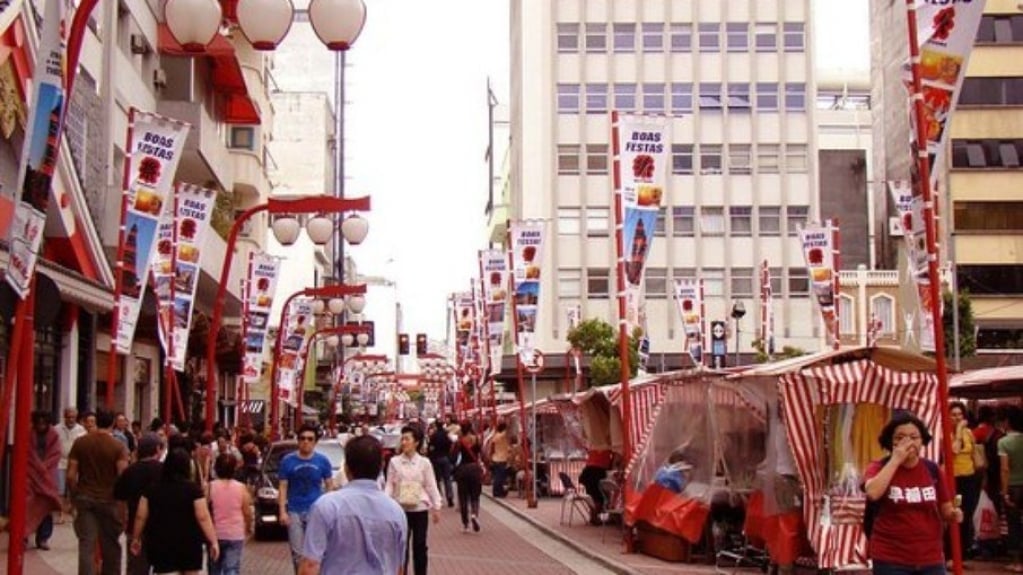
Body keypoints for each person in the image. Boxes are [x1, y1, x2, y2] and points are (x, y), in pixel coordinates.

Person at [863, 412, 963, 575]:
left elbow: (945, 509)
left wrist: (953, 514)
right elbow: (873, 493)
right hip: (891, 557)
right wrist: (895, 460)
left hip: (931, 557)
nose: (908, 442)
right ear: (891, 442)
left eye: (914, 437)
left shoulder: (932, 469)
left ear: (922, 440)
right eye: (900, 437)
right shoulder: (879, 467)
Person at [298, 435, 406, 575]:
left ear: (347, 468)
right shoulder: (396, 512)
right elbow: (398, 567)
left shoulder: (326, 506)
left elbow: (310, 565)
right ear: (381, 466)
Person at [130, 448, 220, 574]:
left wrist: (136, 537)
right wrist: (213, 540)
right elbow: (203, 517)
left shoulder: (151, 489)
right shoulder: (193, 490)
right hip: (190, 543)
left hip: (162, 542)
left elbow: (141, 516)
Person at [67, 408, 130, 575]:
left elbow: (71, 475)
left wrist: (74, 496)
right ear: (112, 423)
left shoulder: (81, 443)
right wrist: (123, 507)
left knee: (86, 544)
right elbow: (122, 477)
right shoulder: (118, 447)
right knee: (111, 544)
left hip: (85, 497)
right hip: (109, 500)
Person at [385, 425, 442, 575]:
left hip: (419, 509)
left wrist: (437, 506)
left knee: (420, 545)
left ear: (416, 442)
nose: (404, 442)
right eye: (402, 439)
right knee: (401, 546)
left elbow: (431, 485)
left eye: (407, 439)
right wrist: (385, 502)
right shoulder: (394, 462)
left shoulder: (424, 463)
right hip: (400, 509)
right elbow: (389, 484)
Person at [279, 423, 335, 574]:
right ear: (298, 441)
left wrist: (329, 509)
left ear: (315, 442)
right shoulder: (287, 461)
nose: (306, 442)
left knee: (315, 552)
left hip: (315, 512)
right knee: (297, 553)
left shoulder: (322, 461)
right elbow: (283, 486)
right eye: (302, 438)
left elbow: (330, 485)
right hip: (294, 511)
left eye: (310, 439)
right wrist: (282, 511)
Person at [114, 433, 164, 575]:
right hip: (160, 527)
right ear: (157, 449)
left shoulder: (130, 471)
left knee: (136, 568)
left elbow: (120, 498)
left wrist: (123, 520)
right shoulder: (165, 471)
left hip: (135, 527)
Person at [208, 453, 253, 575]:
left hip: (215, 533)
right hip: (235, 533)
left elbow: (206, 510)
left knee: (214, 568)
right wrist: (248, 527)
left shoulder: (210, 487)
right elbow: (247, 512)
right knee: (232, 568)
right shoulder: (241, 488)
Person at [948, 401, 980, 558]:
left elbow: (974, 454)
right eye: (953, 415)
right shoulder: (946, 433)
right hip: (954, 479)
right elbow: (954, 450)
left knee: (967, 514)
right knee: (954, 514)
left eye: (960, 414)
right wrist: (959, 430)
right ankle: (951, 553)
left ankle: (962, 552)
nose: (957, 418)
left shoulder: (969, 432)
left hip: (970, 478)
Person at [28, 411, 62, 550]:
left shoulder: (53, 435)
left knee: (46, 505)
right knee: (27, 505)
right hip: (30, 473)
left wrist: (44, 466)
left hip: (47, 474)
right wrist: (37, 465)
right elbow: (27, 452)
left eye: (44, 422)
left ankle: (43, 538)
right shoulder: (29, 434)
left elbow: (56, 453)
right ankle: (24, 534)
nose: (41, 425)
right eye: (39, 422)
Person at [1000, 405, 1023, 573]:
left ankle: (1017, 561)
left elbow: (1005, 469)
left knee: (1013, 524)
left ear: (1007, 422)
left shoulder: (1004, 442)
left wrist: (1004, 491)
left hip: (1013, 487)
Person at [451, 421, 484, 532]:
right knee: (475, 495)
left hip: (463, 470)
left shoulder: (459, 442)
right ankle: (474, 514)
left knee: (463, 497)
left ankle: (465, 524)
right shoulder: (476, 439)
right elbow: (482, 454)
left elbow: (453, 456)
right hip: (474, 469)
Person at [57, 406, 87, 522]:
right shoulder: (57, 429)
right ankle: (61, 513)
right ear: (65, 417)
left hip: (76, 463)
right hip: (60, 462)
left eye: (73, 417)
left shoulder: (82, 431)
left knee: (73, 488)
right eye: (68, 417)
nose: (71, 419)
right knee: (60, 489)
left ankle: (73, 509)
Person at [579, 447, 614, 524]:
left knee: (592, 496)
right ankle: (595, 517)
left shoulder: (595, 445)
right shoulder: (608, 448)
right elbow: (611, 462)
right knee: (598, 497)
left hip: (587, 472)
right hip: (597, 471)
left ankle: (593, 516)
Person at [427, 421, 455, 507]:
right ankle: (450, 497)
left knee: (437, 479)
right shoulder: (447, 434)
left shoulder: (434, 436)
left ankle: (439, 497)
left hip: (436, 458)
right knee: (447, 479)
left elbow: (430, 447)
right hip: (445, 458)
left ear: (436, 425)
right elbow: (451, 444)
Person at [488, 422, 511, 498]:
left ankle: (497, 491)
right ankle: (497, 492)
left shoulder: (495, 436)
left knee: (497, 476)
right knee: (500, 477)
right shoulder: (503, 435)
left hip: (495, 458)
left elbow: (492, 447)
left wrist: (490, 456)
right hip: (502, 459)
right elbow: (508, 429)